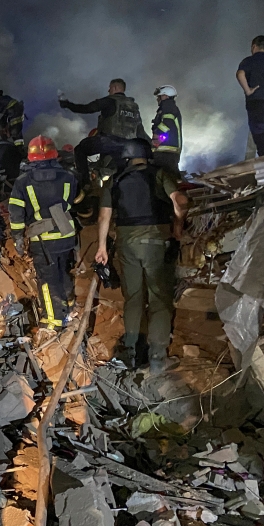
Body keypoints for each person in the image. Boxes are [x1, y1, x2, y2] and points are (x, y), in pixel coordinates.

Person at [94, 139, 187, 375]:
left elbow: (104, 218)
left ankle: (132, 353)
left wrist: (102, 248)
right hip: (156, 241)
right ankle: (157, 359)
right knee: (158, 298)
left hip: (126, 244)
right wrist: (178, 224)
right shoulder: (159, 174)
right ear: (147, 156)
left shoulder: (115, 179)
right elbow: (180, 200)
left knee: (133, 297)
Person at [8, 136, 80, 331]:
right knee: (62, 272)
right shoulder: (68, 176)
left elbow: (16, 213)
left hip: (43, 238)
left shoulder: (23, 182)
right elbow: (72, 202)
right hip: (66, 235)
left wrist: (17, 238)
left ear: (31, 157)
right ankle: (69, 305)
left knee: (47, 280)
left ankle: (54, 320)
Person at [60, 79, 149, 184]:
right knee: (119, 174)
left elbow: (87, 108)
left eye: (110, 88)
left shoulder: (110, 101)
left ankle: (85, 184)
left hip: (109, 142)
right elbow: (140, 131)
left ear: (115, 88)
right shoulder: (134, 107)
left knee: (80, 149)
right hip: (127, 147)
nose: (108, 90)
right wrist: (151, 145)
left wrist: (68, 105)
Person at [0, 88, 26, 184]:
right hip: (17, 112)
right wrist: (3, 126)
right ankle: (21, 150)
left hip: (14, 114)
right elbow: (2, 117)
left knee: (16, 134)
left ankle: (21, 153)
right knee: (17, 134)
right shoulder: (4, 99)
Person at [150, 85, 183, 174]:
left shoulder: (168, 105)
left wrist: (157, 136)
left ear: (166, 96)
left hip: (166, 151)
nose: (158, 99)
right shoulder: (168, 107)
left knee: (165, 178)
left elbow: (167, 123)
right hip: (167, 151)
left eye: (159, 96)